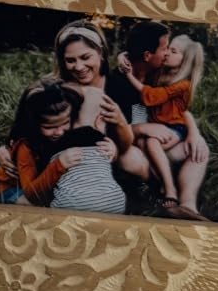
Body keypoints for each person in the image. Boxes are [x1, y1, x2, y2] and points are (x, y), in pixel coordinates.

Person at [0, 78, 125, 212]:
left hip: (44, 184)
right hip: (10, 190)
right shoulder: (26, 146)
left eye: (65, 122)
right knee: (33, 207)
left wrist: (112, 148)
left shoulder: (67, 126)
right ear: (34, 124)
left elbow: (91, 146)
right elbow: (32, 193)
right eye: (50, 127)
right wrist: (59, 164)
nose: (59, 132)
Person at [51, 21, 152, 193]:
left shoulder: (121, 85)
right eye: (70, 60)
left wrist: (120, 122)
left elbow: (130, 138)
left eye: (85, 57)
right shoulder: (57, 90)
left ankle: (142, 193)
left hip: (114, 151)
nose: (79, 67)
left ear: (101, 53)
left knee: (133, 159)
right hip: (70, 157)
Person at [117, 34, 209, 220]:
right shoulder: (158, 73)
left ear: (185, 60)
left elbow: (162, 102)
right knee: (147, 142)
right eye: (166, 48)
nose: (166, 53)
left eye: (172, 50)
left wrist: (194, 132)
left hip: (173, 130)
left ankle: (186, 204)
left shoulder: (181, 83)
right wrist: (123, 56)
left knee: (197, 148)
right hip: (141, 141)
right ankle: (166, 188)